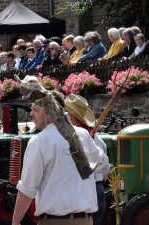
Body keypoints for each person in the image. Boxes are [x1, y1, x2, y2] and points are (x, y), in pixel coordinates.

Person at [12, 85, 104, 225]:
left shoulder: (39, 142)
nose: (31, 114)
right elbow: (100, 161)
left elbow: (27, 189)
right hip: (85, 220)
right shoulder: (83, 135)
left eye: (36, 110)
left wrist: (15, 222)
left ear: (50, 112)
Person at [64, 95, 110, 225]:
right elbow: (105, 170)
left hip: (87, 192)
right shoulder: (96, 139)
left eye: (67, 112)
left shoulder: (82, 137)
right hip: (96, 190)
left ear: (72, 116)